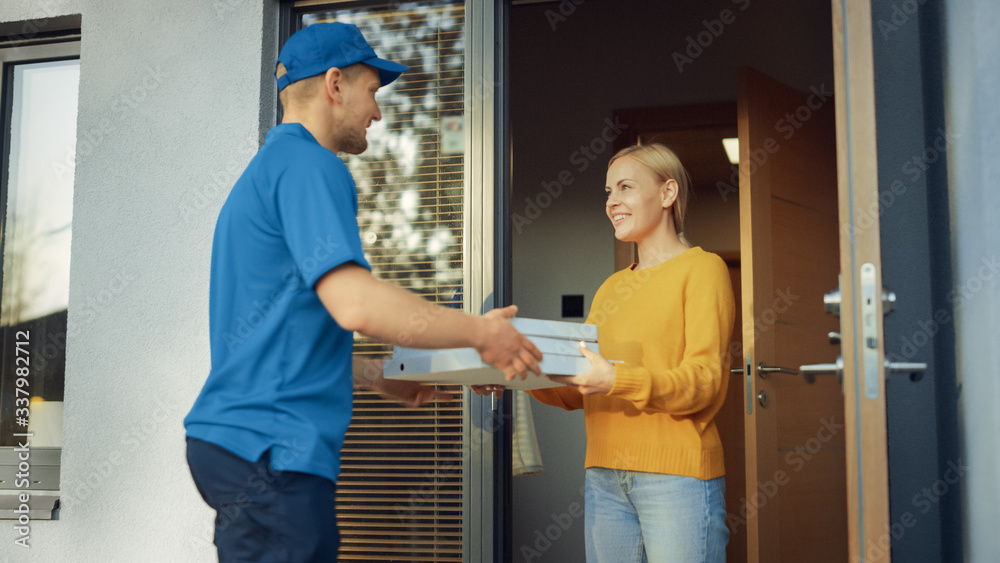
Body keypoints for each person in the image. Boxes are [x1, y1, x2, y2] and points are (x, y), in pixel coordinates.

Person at [183, 22, 543, 562]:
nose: (377, 112)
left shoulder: (267, 172)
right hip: (273, 451)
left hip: (241, 445)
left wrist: (381, 377)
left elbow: (277, 341)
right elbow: (355, 302)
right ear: (334, 85)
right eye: (372, 92)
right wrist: (482, 334)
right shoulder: (310, 166)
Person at [480, 143, 735, 562]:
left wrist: (617, 379)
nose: (612, 202)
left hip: (677, 477)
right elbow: (579, 388)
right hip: (604, 478)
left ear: (668, 193)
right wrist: (518, 374)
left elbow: (704, 383)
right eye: (607, 191)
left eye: (625, 187)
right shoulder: (612, 287)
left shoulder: (703, 269)